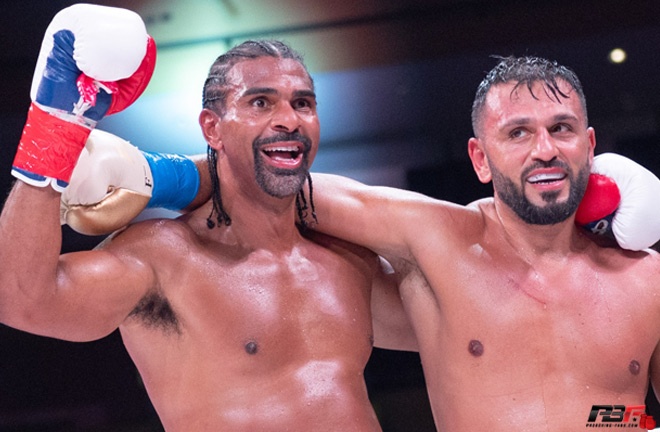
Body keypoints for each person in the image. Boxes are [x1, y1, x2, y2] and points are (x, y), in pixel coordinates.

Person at [69, 55, 660, 431]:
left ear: (589, 143)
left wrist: (632, 425)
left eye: (560, 131)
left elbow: (624, 411)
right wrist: (155, 175)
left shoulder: (647, 278)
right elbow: (279, 182)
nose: (545, 150)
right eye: (519, 133)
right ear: (480, 158)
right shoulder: (440, 241)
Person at [0, 6, 415, 431]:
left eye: (303, 103)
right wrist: (55, 128)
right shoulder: (163, 257)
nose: (289, 120)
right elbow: (22, 300)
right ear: (212, 130)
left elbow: (458, 323)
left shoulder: (349, 262)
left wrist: (171, 178)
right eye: (261, 102)